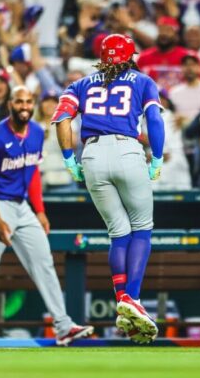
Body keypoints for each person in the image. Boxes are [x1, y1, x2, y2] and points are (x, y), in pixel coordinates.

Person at [0, 85, 93, 347]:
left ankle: (63, 326)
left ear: (34, 104)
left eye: (28, 102)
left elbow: (32, 175)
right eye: (19, 102)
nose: (24, 107)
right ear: (10, 104)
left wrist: (40, 211)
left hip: (21, 206)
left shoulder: (37, 132)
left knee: (44, 261)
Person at [52, 34, 165, 343]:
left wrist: (68, 159)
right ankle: (133, 298)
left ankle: (122, 299)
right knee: (142, 227)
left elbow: (62, 120)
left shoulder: (80, 84)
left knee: (118, 231)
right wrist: (156, 157)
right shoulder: (142, 81)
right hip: (127, 150)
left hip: (91, 155)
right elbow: (154, 119)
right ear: (130, 57)